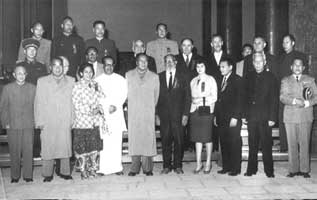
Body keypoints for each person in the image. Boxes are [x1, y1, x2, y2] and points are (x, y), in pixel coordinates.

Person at [34, 58, 75, 182]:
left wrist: (73, 119)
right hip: (48, 119)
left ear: (63, 67)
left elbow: (74, 102)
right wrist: (39, 120)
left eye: (60, 65)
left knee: (65, 145)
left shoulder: (71, 81)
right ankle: (47, 173)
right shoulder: (42, 81)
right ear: (50, 67)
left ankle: (65, 172)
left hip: (65, 118)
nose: (58, 68)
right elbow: (38, 102)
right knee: (48, 146)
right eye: (55, 65)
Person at [280, 58, 317, 178]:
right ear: (291, 67)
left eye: (300, 65)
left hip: (305, 115)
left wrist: (306, 103)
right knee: (291, 144)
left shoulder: (310, 80)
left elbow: (316, 97)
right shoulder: (285, 80)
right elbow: (282, 97)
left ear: (304, 68)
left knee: (305, 143)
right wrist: (295, 101)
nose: (297, 67)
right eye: (295, 65)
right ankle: (293, 169)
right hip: (290, 116)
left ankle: (305, 170)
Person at [243, 52, 278, 178]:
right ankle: (251, 169)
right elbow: (245, 97)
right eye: (255, 62)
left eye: (260, 62)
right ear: (253, 63)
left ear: (264, 62)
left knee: (266, 145)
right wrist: (245, 115)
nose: (258, 64)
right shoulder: (248, 76)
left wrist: (272, 118)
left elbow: (274, 99)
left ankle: (269, 171)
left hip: (265, 117)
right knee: (252, 144)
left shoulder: (271, 77)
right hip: (251, 116)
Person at [0, 65, 36, 183]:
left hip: (28, 124)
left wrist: (35, 122)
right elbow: (3, 107)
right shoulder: (7, 88)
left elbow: (36, 106)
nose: (21, 75)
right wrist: (6, 123)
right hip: (13, 125)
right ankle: (15, 176)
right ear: (14, 75)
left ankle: (28, 175)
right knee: (14, 151)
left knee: (28, 150)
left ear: (26, 75)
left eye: (23, 73)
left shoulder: (32, 88)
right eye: (18, 73)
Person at [156, 54, 191, 174]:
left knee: (179, 141)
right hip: (164, 116)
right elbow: (155, 97)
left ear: (176, 62)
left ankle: (178, 165)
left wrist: (186, 114)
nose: (169, 63)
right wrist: (157, 115)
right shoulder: (159, 77)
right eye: (167, 61)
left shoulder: (183, 76)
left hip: (179, 115)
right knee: (165, 141)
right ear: (164, 63)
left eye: (171, 61)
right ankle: (166, 165)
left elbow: (188, 97)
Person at [126, 53, 160, 176]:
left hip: (148, 113)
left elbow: (156, 96)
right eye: (141, 61)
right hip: (134, 113)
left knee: (147, 139)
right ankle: (134, 168)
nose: (143, 63)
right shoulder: (129, 75)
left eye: (145, 61)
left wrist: (150, 108)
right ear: (136, 62)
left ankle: (147, 168)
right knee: (134, 140)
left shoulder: (154, 77)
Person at [95, 56, 127, 175]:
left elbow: (124, 94)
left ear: (114, 66)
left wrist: (116, 105)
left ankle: (117, 168)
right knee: (104, 142)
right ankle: (103, 168)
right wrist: (102, 108)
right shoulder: (97, 80)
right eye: (106, 65)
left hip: (116, 114)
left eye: (111, 64)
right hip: (103, 116)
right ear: (103, 66)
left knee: (116, 141)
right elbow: (96, 97)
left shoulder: (121, 79)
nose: (109, 67)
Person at [72, 63, 104, 179]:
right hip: (82, 122)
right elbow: (76, 104)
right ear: (81, 73)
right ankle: (83, 171)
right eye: (86, 72)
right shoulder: (77, 86)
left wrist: (99, 108)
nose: (88, 74)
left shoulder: (96, 85)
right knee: (82, 148)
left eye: (90, 72)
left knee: (94, 147)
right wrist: (91, 110)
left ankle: (93, 170)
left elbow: (102, 98)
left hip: (94, 122)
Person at [278, 34, 309, 152]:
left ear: (293, 43)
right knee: (283, 119)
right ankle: (284, 146)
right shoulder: (280, 58)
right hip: (284, 92)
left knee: (299, 122)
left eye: (287, 42)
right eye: (283, 42)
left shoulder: (300, 56)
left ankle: (299, 149)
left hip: (297, 92)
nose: (284, 45)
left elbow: (306, 76)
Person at [214, 58, 244, 176]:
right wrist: (216, 116)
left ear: (230, 67)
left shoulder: (238, 80)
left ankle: (235, 168)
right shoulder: (220, 79)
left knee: (234, 143)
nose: (221, 69)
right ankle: (226, 166)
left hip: (233, 117)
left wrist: (235, 117)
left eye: (223, 67)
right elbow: (218, 100)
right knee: (224, 143)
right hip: (222, 117)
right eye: (220, 67)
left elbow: (240, 100)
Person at [189, 61, 217, 174]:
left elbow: (214, 96)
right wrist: (194, 101)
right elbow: (191, 96)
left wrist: (201, 100)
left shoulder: (211, 79)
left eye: (202, 66)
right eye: (198, 66)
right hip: (195, 111)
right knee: (197, 138)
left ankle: (208, 162)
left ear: (206, 67)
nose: (199, 68)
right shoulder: (193, 80)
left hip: (206, 110)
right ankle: (198, 163)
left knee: (207, 137)